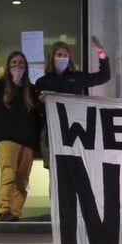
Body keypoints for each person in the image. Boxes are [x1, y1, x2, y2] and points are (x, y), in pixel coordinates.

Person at [0, 51, 41, 221]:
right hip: (7, 139)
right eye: (14, 62)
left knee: (22, 180)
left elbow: (38, 116)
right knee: (8, 174)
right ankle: (4, 209)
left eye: (21, 63)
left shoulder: (31, 90)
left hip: (27, 142)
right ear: (8, 66)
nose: (17, 66)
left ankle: (15, 213)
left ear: (26, 67)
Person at [34, 37, 110, 166]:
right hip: (51, 131)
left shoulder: (77, 77)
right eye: (59, 55)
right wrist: (42, 103)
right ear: (52, 57)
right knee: (54, 169)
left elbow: (104, 76)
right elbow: (37, 110)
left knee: (75, 168)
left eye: (66, 55)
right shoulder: (42, 82)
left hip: (75, 130)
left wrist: (101, 53)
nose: (63, 58)